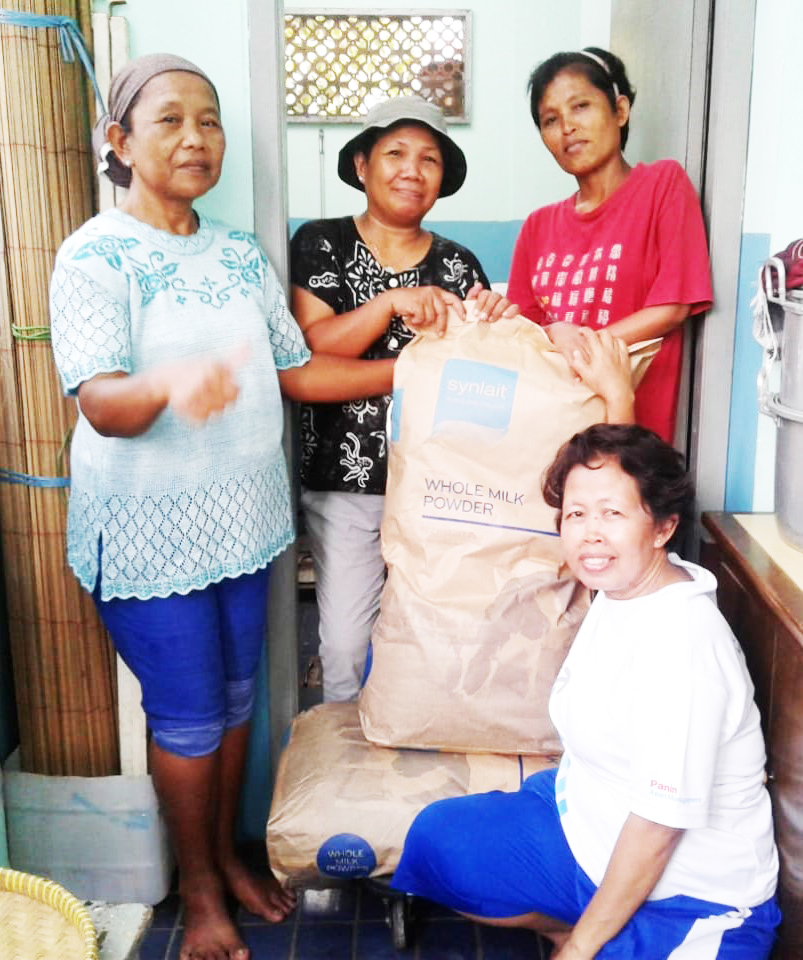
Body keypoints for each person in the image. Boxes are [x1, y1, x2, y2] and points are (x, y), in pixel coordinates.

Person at [49, 54, 436, 960]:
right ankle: (198, 885)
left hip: (245, 522)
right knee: (186, 715)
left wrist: (421, 366)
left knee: (231, 707)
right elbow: (102, 402)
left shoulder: (236, 252)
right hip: (151, 529)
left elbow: (295, 371)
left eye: (210, 121)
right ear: (120, 140)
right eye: (170, 121)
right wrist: (169, 382)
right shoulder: (95, 254)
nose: (195, 138)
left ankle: (221, 861)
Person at [393, 423, 781, 959]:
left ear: (663, 528)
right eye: (576, 514)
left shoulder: (682, 645)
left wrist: (578, 951)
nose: (590, 533)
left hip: (692, 896)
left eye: (613, 514)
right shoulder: (624, 587)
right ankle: (579, 924)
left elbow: (658, 826)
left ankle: (597, 934)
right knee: (440, 843)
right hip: (589, 836)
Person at [290, 95, 516, 701]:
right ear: (362, 164)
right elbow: (312, 355)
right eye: (394, 153)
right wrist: (392, 304)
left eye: (430, 158)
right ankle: (342, 766)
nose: (412, 169)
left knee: (433, 633)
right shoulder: (321, 243)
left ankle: (412, 753)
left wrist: (491, 325)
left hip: (440, 489)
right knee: (343, 643)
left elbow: (483, 391)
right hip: (346, 483)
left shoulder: (458, 263)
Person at [506, 48, 713, 443]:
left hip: (634, 437)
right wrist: (554, 333)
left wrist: (580, 347)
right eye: (551, 120)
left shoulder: (662, 186)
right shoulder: (537, 226)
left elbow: (673, 306)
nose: (567, 127)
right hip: (549, 436)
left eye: (580, 106)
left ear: (619, 110)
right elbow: (522, 328)